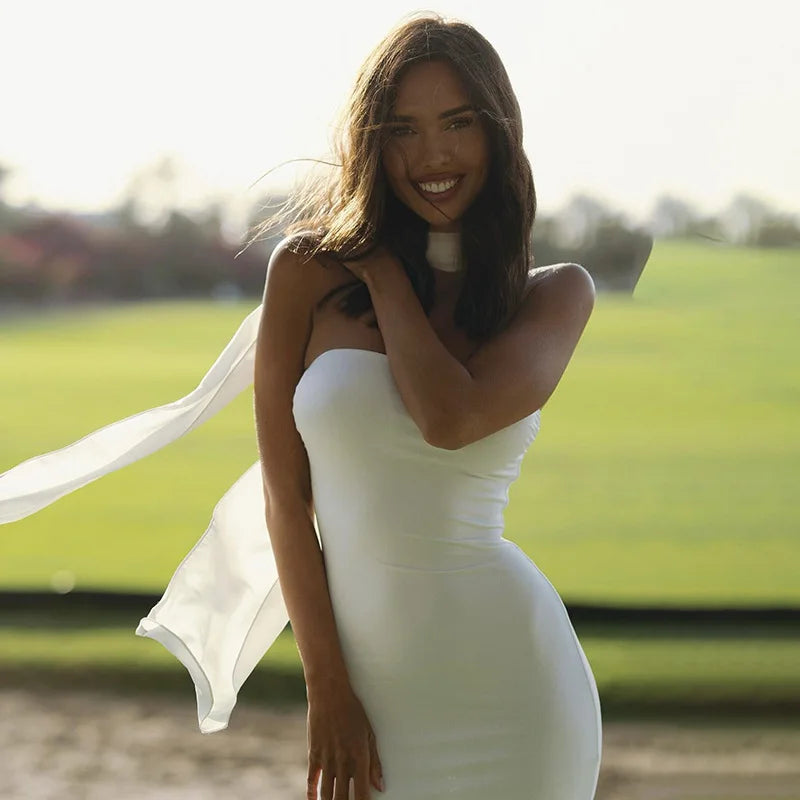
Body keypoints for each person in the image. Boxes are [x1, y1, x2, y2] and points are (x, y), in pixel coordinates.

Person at [0, 12, 602, 800]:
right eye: (404, 130)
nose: (434, 156)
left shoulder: (552, 296)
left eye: (458, 124)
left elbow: (448, 420)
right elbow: (288, 499)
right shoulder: (304, 274)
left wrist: (386, 276)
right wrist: (326, 686)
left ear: (499, 132)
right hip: (366, 696)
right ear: (372, 142)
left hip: (515, 687)